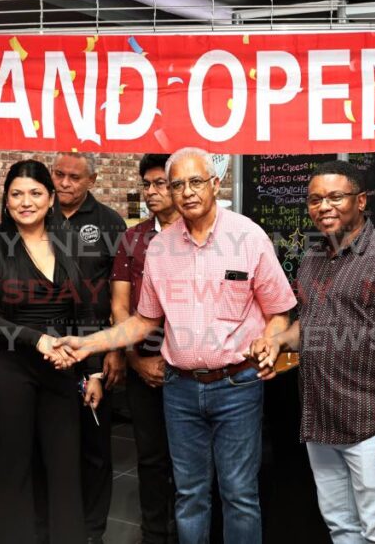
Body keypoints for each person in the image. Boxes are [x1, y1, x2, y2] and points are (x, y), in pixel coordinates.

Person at [52, 147, 297, 544]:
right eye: (177, 184)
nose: (186, 192)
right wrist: (87, 344)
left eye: (196, 181)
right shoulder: (161, 248)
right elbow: (144, 320)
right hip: (179, 390)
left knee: (239, 496)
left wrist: (271, 339)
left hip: (236, 386)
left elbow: (281, 310)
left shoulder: (248, 237)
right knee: (189, 496)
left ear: (215, 184)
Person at [248, 160, 375, 544]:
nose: (323, 206)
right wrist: (279, 340)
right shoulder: (313, 257)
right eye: (315, 199)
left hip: (370, 422)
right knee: (340, 527)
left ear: (360, 201)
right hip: (319, 419)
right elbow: (309, 325)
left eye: (335, 196)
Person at [0, 159, 103, 543]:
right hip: (6, 367)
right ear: (6, 200)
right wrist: (37, 338)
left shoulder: (69, 242)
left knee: (64, 467)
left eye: (35, 193)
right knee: (16, 468)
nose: (26, 202)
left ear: (50, 197)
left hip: (61, 365)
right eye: (17, 194)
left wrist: (93, 369)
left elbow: (86, 311)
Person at [49, 151, 127, 543]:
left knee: (94, 447)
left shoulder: (109, 222)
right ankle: (58, 525)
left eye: (74, 177)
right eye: (59, 174)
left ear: (91, 181)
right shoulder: (36, 214)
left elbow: (120, 294)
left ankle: (93, 530)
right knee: (52, 444)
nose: (64, 183)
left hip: (95, 347)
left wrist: (114, 350)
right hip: (47, 348)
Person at [109, 154, 179, 544]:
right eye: (147, 185)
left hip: (190, 365)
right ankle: (154, 532)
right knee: (151, 457)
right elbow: (120, 305)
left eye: (161, 184)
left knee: (190, 460)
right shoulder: (133, 238)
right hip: (143, 359)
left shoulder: (199, 232)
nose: (152, 192)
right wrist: (135, 359)